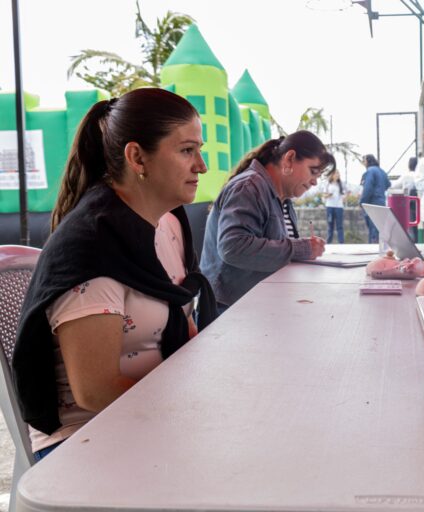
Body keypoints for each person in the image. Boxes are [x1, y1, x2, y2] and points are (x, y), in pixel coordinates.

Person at [12, 88, 217, 460]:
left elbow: (179, 311)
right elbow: (95, 389)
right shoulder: (93, 246)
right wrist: (191, 414)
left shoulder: (168, 223)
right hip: (86, 435)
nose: (201, 165)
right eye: (187, 150)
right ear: (137, 157)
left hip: (154, 407)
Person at [201, 131, 331, 312]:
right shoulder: (248, 187)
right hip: (229, 310)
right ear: (289, 159)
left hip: (251, 306)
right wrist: (302, 248)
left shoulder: (281, 197)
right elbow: (233, 247)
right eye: (313, 171)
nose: (315, 182)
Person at [359, 154, 391, 243]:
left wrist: (362, 202)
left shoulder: (370, 171)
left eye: (364, 161)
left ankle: (373, 249)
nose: (364, 163)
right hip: (381, 202)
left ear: (368, 161)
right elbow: (388, 184)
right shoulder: (382, 171)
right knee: (379, 228)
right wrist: (380, 190)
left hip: (372, 203)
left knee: (373, 230)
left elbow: (368, 188)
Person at [323, 168, 345, 243]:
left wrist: (344, 197)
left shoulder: (341, 184)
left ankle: (341, 243)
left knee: (340, 226)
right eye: (336, 173)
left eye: (338, 173)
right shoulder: (328, 184)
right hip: (330, 206)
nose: (337, 175)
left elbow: (345, 194)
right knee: (330, 226)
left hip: (339, 207)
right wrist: (328, 195)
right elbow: (324, 195)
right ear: (332, 175)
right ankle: (328, 243)